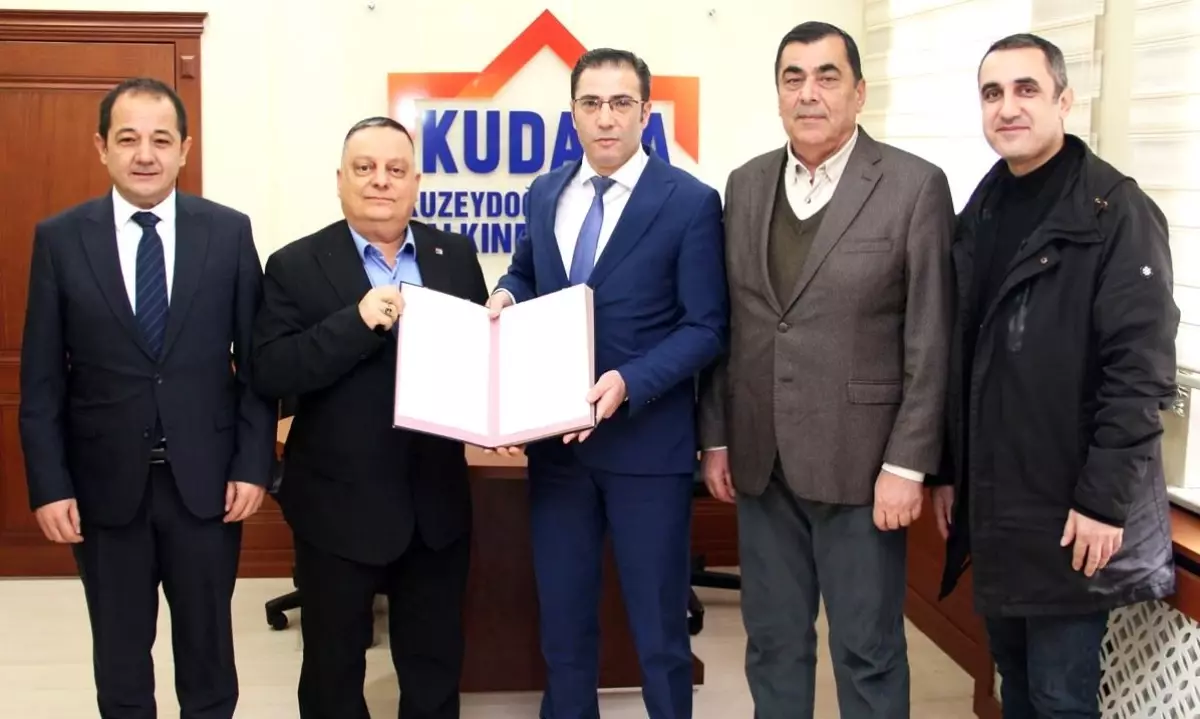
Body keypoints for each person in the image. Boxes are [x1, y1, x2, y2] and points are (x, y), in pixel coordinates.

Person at [697, 21, 955, 719]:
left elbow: (932, 337)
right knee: (772, 643)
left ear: (859, 92)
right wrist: (716, 436)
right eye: (793, 78)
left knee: (867, 650)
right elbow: (731, 323)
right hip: (762, 462)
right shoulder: (746, 184)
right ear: (778, 93)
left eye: (827, 76)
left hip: (863, 466)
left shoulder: (914, 186)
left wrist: (908, 463)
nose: (808, 93)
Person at [931, 33, 1179, 718]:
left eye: (1026, 89)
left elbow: (1140, 372)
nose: (1007, 107)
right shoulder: (981, 211)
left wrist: (1103, 502)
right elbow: (963, 354)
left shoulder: (1116, 212)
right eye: (992, 93)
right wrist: (950, 471)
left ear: (1064, 100)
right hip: (998, 505)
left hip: (1073, 510)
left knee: (1059, 697)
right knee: (1014, 683)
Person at [18, 77, 276, 719]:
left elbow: (256, 368)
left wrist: (252, 466)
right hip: (104, 488)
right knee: (121, 660)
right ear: (101, 146)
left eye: (161, 140)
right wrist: (49, 485)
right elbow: (42, 379)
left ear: (184, 149)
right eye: (128, 138)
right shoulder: (60, 239)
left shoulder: (227, 232)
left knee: (209, 657)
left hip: (206, 487)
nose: (144, 154)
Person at [488, 48, 728, 719]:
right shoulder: (545, 192)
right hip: (557, 449)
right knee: (563, 627)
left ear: (646, 112)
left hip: (646, 448)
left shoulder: (689, 202)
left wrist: (629, 379)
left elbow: (706, 327)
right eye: (591, 103)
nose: (606, 118)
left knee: (659, 633)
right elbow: (526, 271)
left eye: (621, 103)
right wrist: (506, 293)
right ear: (573, 113)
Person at [250, 116, 488, 719]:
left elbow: (480, 359)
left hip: (435, 504)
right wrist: (355, 324)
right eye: (365, 168)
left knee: (434, 668)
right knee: (332, 673)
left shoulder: (455, 255)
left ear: (415, 183)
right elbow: (272, 370)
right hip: (337, 506)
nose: (381, 181)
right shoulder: (295, 264)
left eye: (395, 169)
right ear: (340, 180)